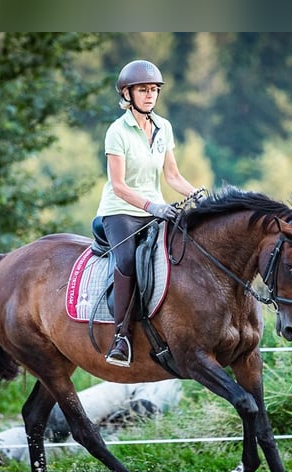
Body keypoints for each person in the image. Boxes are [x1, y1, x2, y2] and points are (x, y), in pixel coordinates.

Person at [96, 59, 202, 368]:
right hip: (121, 212)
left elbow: (172, 176)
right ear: (127, 94)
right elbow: (118, 185)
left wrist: (198, 195)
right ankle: (121, 337)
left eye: (154, 90)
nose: (150, 95)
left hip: (157, 209)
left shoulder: (164, 127)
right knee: (128, 260)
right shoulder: (117, 132)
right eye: (143, 90)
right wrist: (152, 206)